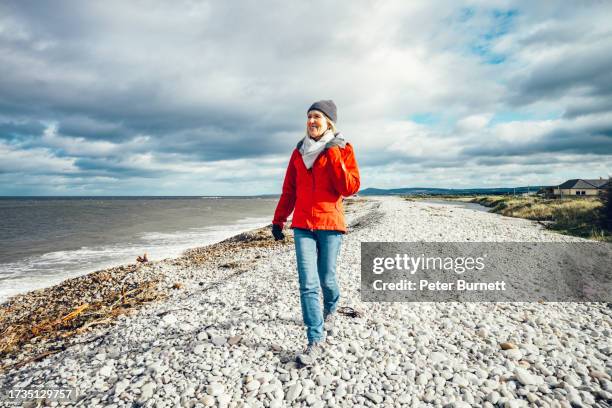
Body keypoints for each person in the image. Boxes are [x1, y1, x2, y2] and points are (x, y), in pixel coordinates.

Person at [271, 100, 360, 365]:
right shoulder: (298, 152)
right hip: (302, 226)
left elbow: (350, 187)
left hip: (330, 223)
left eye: (317, 117)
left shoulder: (343, 148)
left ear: (328, 122)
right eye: (309, 116)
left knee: (327, 277)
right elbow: (289, 190)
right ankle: (315, 340)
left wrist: (333, 154)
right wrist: (279, 220)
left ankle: (331, 307)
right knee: (308, 284)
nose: (311, 121)